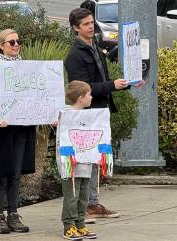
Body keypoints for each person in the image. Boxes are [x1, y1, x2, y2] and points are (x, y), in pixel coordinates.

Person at [64, 8, 135, 222]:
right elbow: (82, 89)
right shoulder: (75, 55)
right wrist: (112, 85)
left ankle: (92, 203)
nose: (91, 26)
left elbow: (102, 78)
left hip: (101, 109)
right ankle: (83, 206)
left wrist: (125, 84)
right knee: (85, 158)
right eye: (85, 24)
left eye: (91, 22)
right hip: (87, 112)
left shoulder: (94, 45)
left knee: (96, 158)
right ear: (76, 28)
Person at [0, 28, 36, 234]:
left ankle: (13, 214)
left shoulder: (27, 67)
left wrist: (46, 112)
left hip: (21, 128)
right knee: (1, 173)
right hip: (3, 130)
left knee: (15, 172)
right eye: (11, 42)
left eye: (17, 41)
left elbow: (36, 95)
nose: (16, 45)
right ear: (1, 46)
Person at [57, 80, 98, 240]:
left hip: (86, 163)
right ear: (81, 97)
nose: (91, 97)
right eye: (89, 94)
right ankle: (69, 226)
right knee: (71, 197)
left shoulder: (89, 116)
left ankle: (80, 225)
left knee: (83, 197)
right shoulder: (66, 114)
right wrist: (67, 159)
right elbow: (63, 139)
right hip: (71, 165)